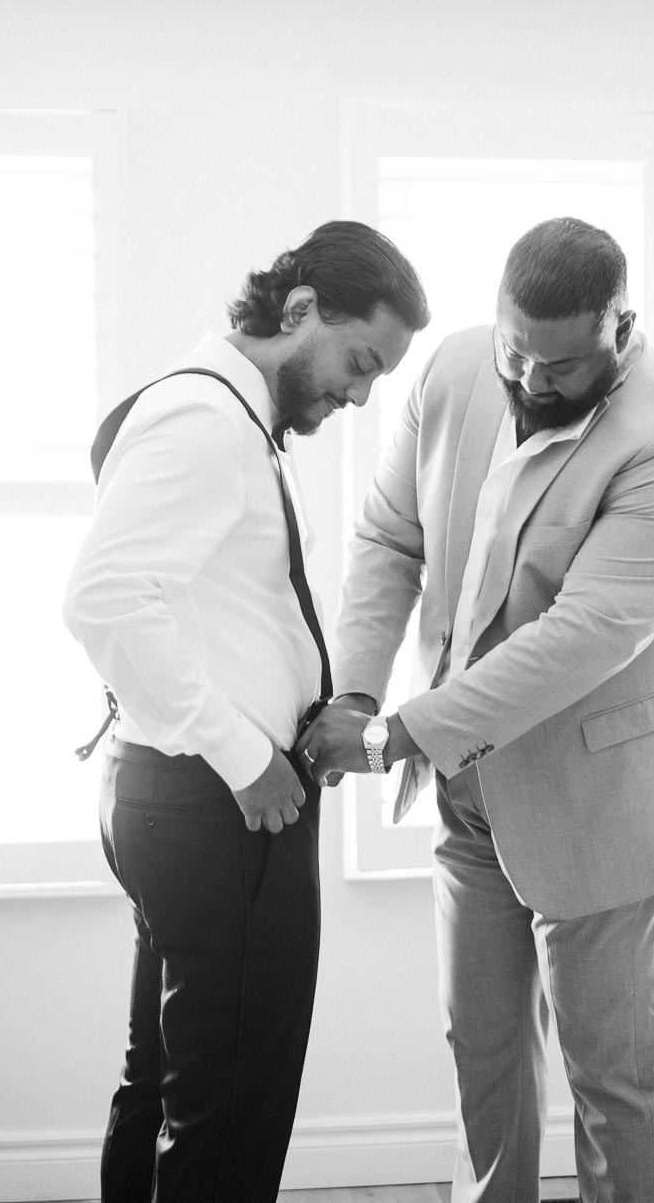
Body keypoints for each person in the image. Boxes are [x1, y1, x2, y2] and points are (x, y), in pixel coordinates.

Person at [296, 217, 654, 1203]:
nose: (532, 380)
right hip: (470, 795)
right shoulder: (455, 371)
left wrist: (395, 732)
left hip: (606, 799)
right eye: (515, 350)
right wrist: (361, 685)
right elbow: (389, 537)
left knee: (613, 1081)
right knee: (481, 1061)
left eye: (562, 364)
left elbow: (586, 634)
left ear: (623, 326)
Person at [63, 220, 428, 1203]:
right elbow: (100, 599)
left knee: (170, 1085)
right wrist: (245, 754)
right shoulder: (207, 422)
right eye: (360, 362)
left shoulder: (230, 415)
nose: (359, 394)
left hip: (177, 801)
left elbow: (215, 612)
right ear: (301, 309)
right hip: (216, 811)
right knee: (229, 1111)